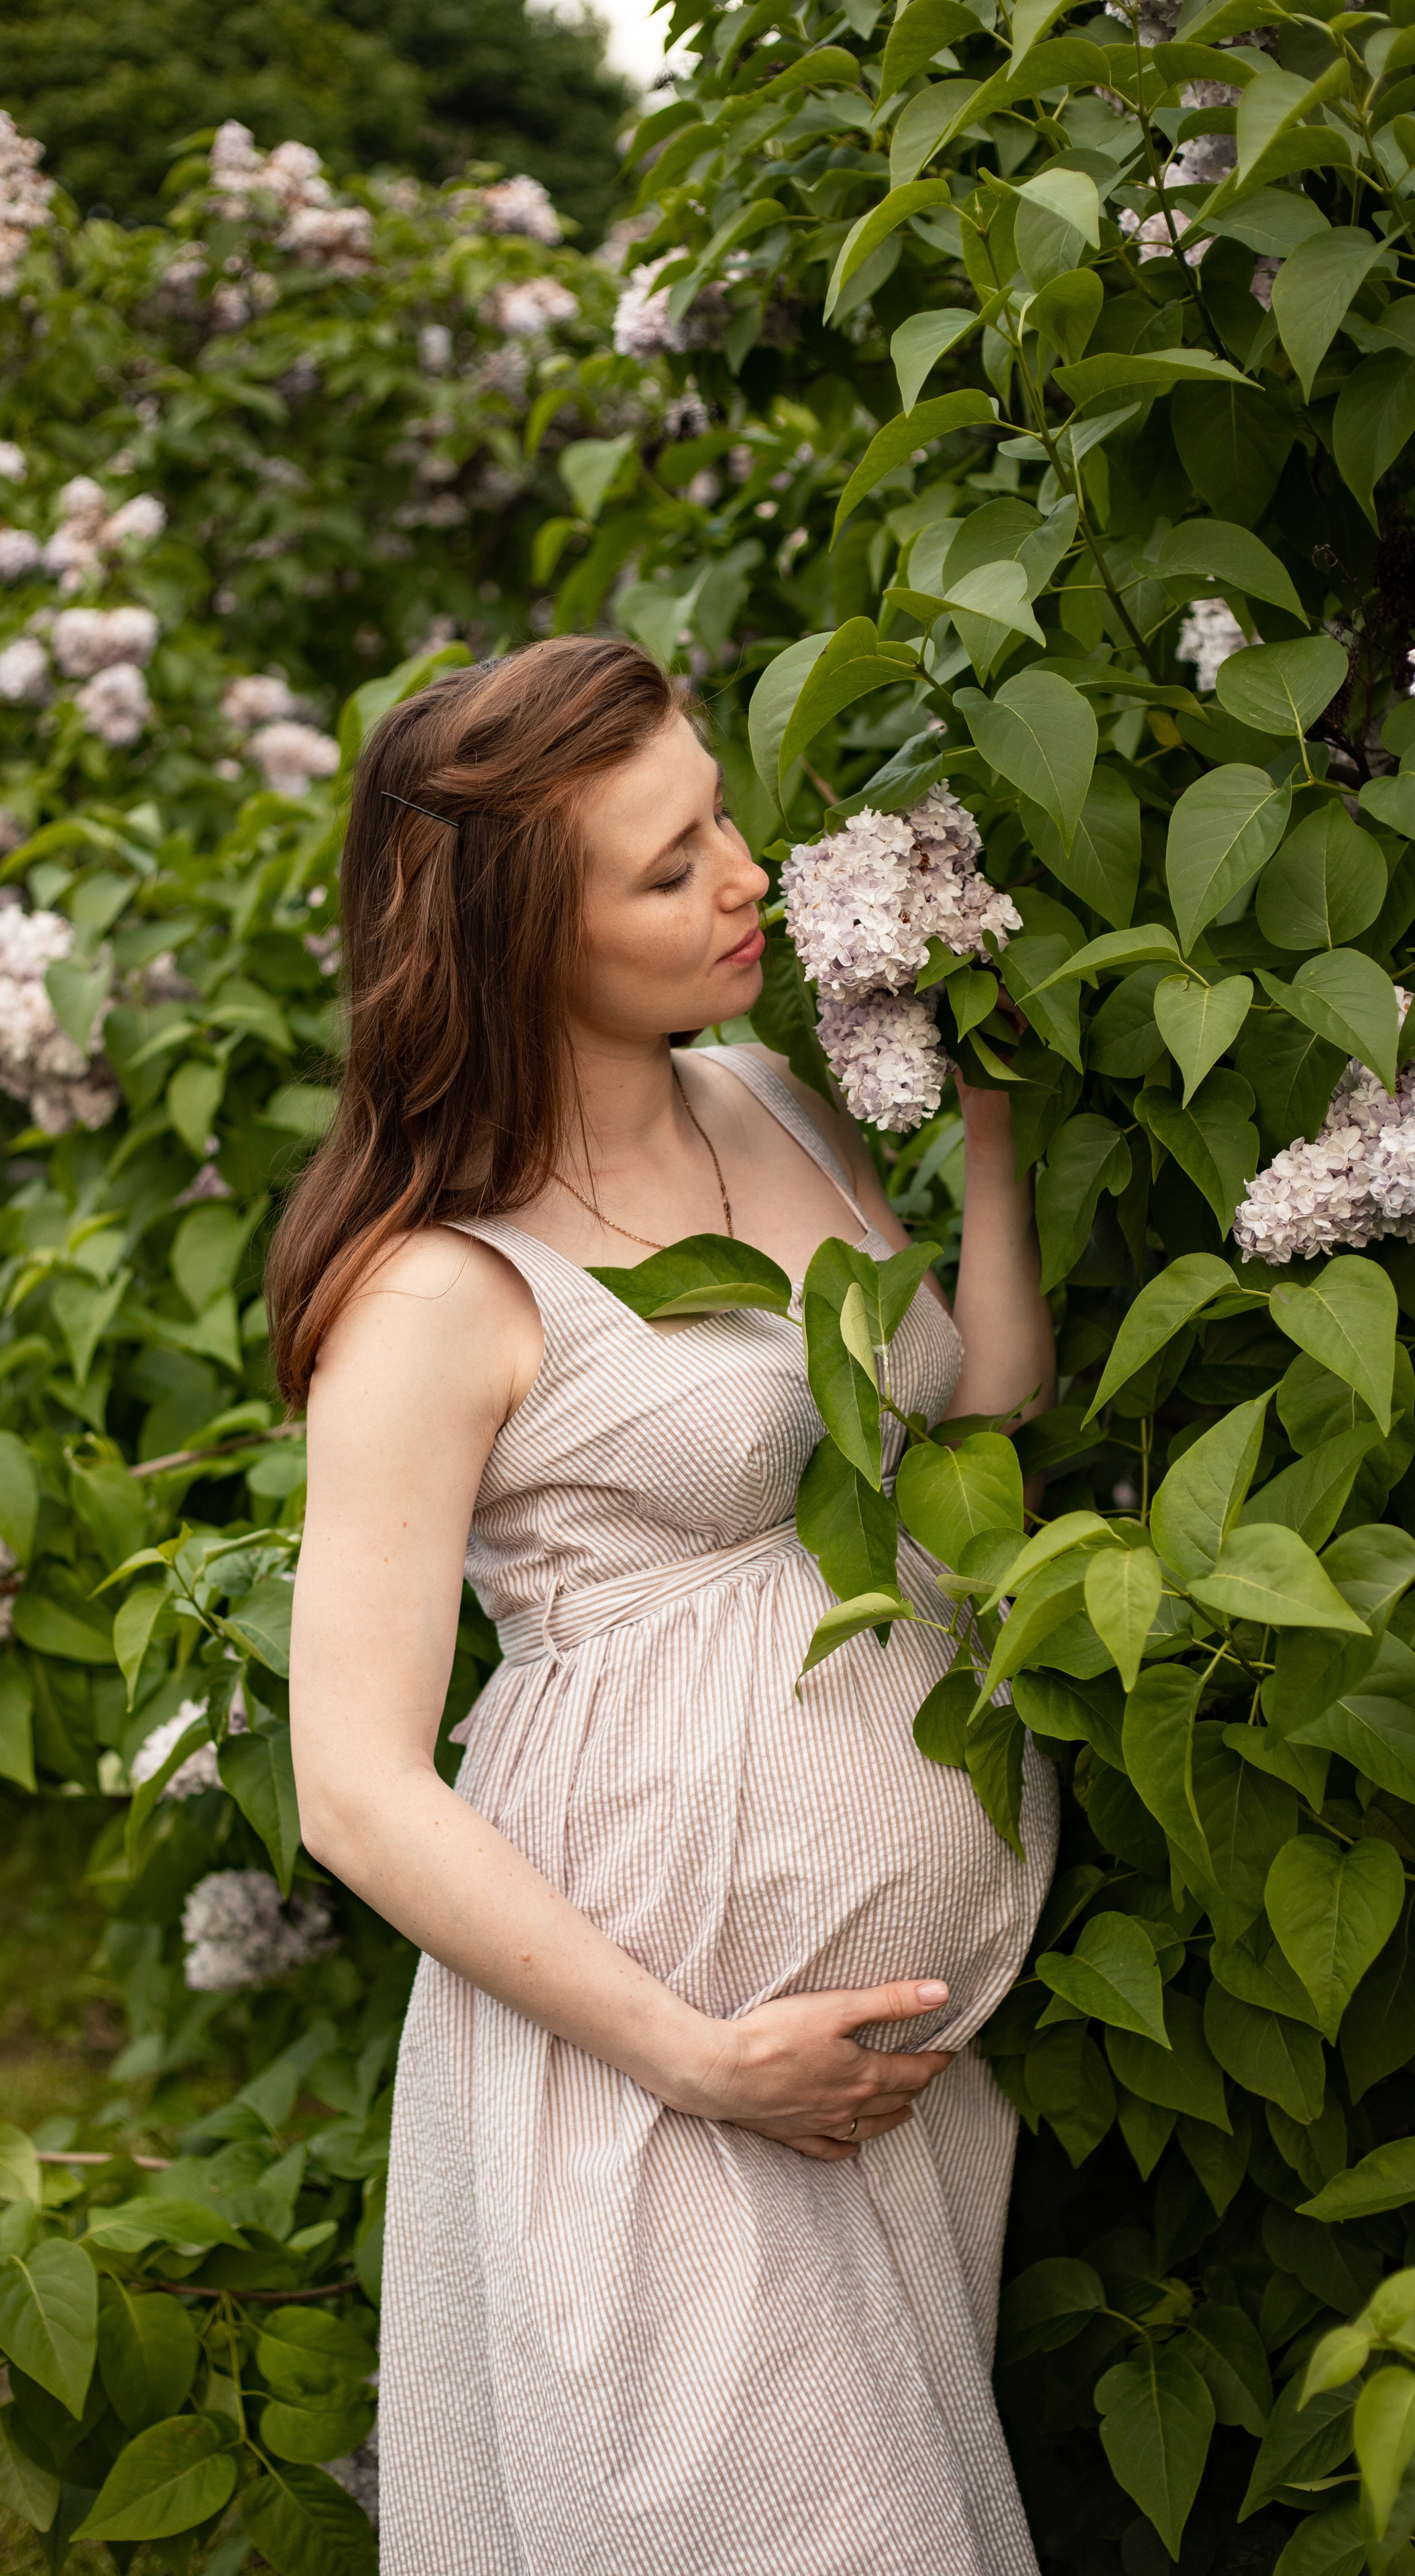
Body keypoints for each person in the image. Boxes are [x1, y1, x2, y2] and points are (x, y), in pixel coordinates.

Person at [276, 636, 1059, 2576]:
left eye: (721, 812)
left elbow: (967, 1398)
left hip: (885, 2079)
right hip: (662, 2070)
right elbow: (352, 1788)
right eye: (667, 863)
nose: (747, 873)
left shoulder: (775, 1101)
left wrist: (993, 1125)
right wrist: (696, 2057)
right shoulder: (438, 1294)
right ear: (519, 940)